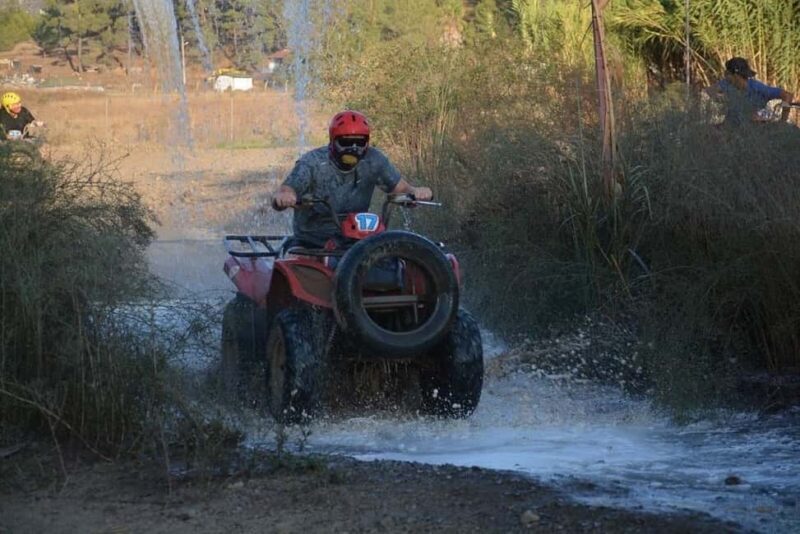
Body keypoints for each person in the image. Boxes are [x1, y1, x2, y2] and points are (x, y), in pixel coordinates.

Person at [273, 110, 433, 248]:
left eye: (360, 142)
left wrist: (416, 192)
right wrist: (286, 197)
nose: (354, 148)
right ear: (332, 141)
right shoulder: (312, 162)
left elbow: (401, 189)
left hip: (358, 236)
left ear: (367, 142)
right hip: (314, 239)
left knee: (392, 260)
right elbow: (287, 189)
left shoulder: (374, 160)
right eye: (346, 142)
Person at [707, 57, 795, 126]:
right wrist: (723, 100)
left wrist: (783, 121)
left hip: (754, 130)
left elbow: (788, 96)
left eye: (728, 73)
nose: (725, 76)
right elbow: (708, 92)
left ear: (736, 75)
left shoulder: (757, 88)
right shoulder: (727, 84)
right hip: (730, 129)